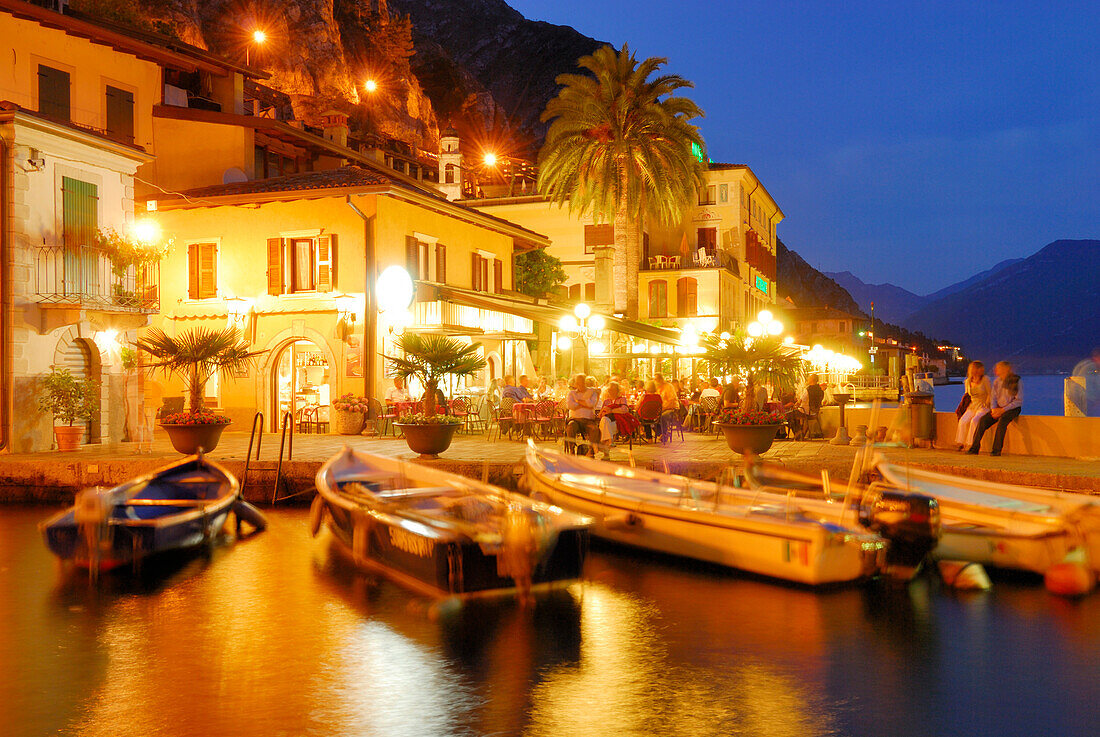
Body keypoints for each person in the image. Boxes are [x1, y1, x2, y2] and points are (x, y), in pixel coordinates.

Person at [968, 362, 1022, 456]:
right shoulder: (997, 381)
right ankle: (974, 448)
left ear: (1005, 369)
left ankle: (996, 450)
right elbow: (993, 397)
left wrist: (1003, 410)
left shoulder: (1016, 380)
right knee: (983, 421)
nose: (995, 370)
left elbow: (1018, 401)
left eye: (998, 368)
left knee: (1002, 421)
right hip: (998, 408)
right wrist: (993, 409)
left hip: (1012, 408)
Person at [955, 361, 991, 451]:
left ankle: (971, 444)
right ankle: (961, 443)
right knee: (963, 421)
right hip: (973, 405)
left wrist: (988, 404)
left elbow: (990, 393)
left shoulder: (985, 380)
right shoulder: (968, 381)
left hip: (983, 405)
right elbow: (967, 395)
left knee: (974, 421)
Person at [597, 382, 638, 459]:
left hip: (617, 423)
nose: (610, 391)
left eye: (612, 389)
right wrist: (602, 412)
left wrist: (611, 411)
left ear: (617, 390)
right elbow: (601, 413)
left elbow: (624, 410)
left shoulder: (622, 399)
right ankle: (610, 441)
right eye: (609, 390)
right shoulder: (606, 401)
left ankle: (606, 451)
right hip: (607, 424)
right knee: (604, 420)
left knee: (604, 424)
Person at [565, 373, 601, 456]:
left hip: (588, 420)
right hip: (575, 420)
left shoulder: (592, 392)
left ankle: (591, 450)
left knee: (594, 430)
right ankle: (572, 450)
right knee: (570, 427)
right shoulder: (571, 393)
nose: (580, 384)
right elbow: (570, 406)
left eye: (582, 382)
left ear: (585, 382)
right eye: (578, 382)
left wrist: (577, 401)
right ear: (576, 383)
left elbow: (591, 404)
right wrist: (583, 403)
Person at [790, 374, 824, 440]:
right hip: (815, 412)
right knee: (800, 417)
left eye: (809, 378)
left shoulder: (808, 390)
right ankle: (801, 434)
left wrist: (795, 405)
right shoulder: (820, 390)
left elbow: (800, 401)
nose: (807, 379)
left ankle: (798, 432)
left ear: (812, 380)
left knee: (789, 415)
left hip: (806, 411)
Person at [654, 373, 680, 442]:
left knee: (662, 416)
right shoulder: (658, 388)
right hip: (661, 408)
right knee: (651, 417)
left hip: (671, 408)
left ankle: (664, 433)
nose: (655, 381)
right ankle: (660, 434)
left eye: (656, 379)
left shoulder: (668, 386)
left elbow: (671, 400)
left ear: (660, 379)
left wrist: (663, 408)